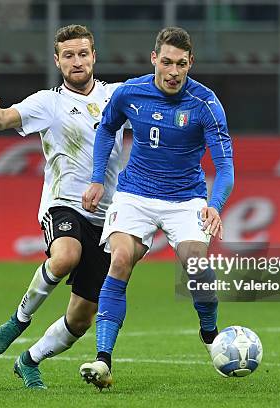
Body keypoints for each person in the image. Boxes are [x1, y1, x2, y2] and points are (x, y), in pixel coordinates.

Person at [79, 27, 234, 389]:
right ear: (154, 59)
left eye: (181, 64)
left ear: (190, 63)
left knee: (196, 265)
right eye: (166, 62)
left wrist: (215, 205)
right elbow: (107, 128)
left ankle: (210, 335)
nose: (173, 71)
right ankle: (103, 359)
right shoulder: (130, 92)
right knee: (119, 260)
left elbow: (224, 167)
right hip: (135, 194)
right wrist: (98, 177)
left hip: (185, 198)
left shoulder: (205, 104)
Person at [0, 24, 128, 389]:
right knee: (64, 256)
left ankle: (29, 360)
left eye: (83, 54)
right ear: (57, 61)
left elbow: (158, 102)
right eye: (69, 55)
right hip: (64, 205)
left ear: (94, 57)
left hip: (107, 216)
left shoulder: (118, 96)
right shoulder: (48, 102)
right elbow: (2, 119)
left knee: (81, 319)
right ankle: (19, 320)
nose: (77, 61)